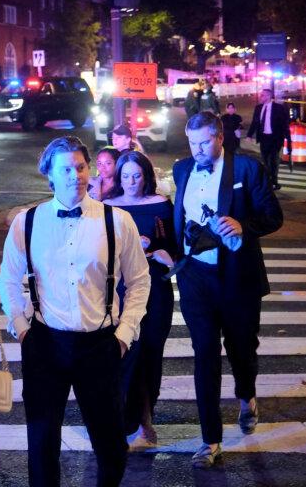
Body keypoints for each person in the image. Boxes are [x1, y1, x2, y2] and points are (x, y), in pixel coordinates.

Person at [0, 136, 151, 487]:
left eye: (80, 167)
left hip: (100, 345)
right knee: (41, 443)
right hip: (45, 343)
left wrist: (124, 336)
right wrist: (21, 326)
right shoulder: (28, 222)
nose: (75, 176)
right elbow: (9, 278)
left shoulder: (117, 221)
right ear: (49, 174)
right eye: (65, 169)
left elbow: (140, 282)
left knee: (110, 443)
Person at [171, 112, 284, 468]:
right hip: (195, 277)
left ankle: (247, 395)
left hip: (237, 276)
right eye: (192, 143)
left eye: (204, 142)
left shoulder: (247, 170)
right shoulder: (182, 169)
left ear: (220, 137)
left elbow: (273, 216)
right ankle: (211, 441)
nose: (198, 149)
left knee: (241, 348)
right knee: (204, 351)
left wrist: (243, 225)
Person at [105, 150, 175, 449]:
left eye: (137, 175)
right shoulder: (106, 207)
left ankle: (146, 419)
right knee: (121, 354)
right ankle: (121, 421)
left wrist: (165, 255)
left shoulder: (160, 205)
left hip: (155, 290)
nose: (131, 182)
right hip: (119, 292)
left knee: (150, 355)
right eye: (125, 176)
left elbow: (175, 247)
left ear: (146, 176)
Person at [247, 88, 291, 190]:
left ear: (268, 96)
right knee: (265, 160)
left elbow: (285, 125)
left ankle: (274, 181)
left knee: (274, 160)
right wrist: (249, 135)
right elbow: (255, 122)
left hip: (275, 138)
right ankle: (268, 180)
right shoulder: (258, 108)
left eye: (262, 95)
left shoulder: (278, 108)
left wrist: (288, 140)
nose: (260, 97)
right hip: (264, 138)